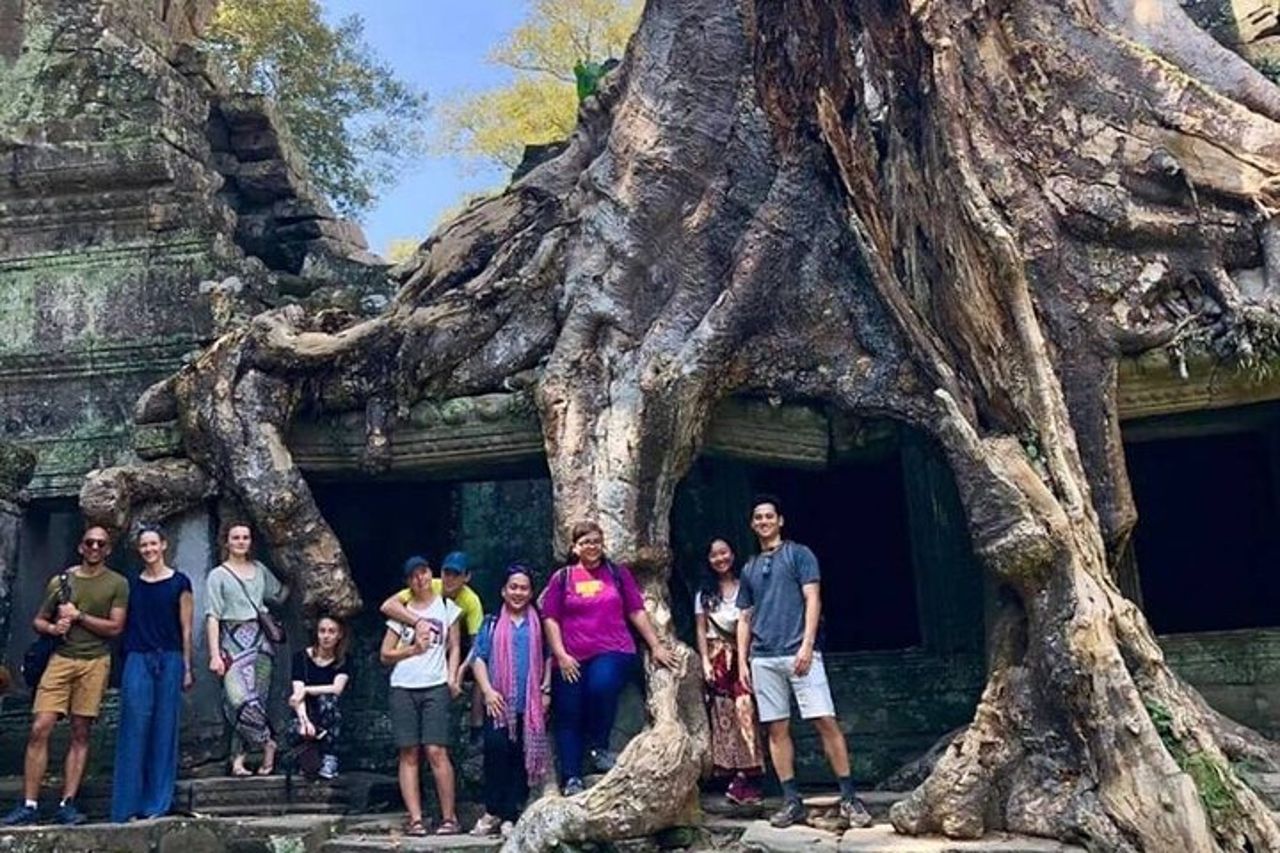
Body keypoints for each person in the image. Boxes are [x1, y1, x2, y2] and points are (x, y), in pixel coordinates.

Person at [736, 495, 872, 829]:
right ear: (752, 524)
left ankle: (849, 797)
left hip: (800, 652)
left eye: (769, 516)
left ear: (780, 521)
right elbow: (745, 616)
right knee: (776, 728)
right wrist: (742, 660)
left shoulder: (799, 555)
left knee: (825, 720)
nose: (764, 521)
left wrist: (808, 645)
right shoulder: (749, 567)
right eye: (758, 517)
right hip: (763, 657)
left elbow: (813, 598)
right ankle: (791, 800)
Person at [2, 525, 128, 826]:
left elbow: (116, 627)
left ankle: (67, 802)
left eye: (101, 544)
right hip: (61, 658)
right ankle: (29, 803)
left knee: (81, 730)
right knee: (40, 726)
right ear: (80, 547)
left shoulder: (117, 583)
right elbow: (38, 621)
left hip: (94, 661)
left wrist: (79, 616)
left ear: (108, 549)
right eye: (90, 543)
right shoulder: (61, 582)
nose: (95, 548)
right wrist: (53, 628)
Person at [541, 520, 676, 796]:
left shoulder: (617, 574)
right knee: (568, 712)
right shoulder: (563, 578)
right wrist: (561, 654)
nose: (592, 547)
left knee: (601, 686)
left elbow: (636, 611)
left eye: (596, 541)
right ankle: (571, 776)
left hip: (612, 648)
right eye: (585, 542)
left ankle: (599, 748)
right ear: (574, 548)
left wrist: (656, 645)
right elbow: (550, 618)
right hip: (570, 656)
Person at [111, 524, 194, 822]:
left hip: (170, 657)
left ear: (164, 545)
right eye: (144, 545)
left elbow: (186, 628)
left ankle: (156, 803)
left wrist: (187, 666)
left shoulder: (180, 582)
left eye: (153, 544)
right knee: (133, 728)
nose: (149, 549)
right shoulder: (131, 584)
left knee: (164, 728)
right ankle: (127, 806)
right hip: (137, 657)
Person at [380, 555, 463, 836]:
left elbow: (455, 646)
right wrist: (412, 649)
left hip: (435, 683)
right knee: (409, 751)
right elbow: (385, 654)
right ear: (408, 582)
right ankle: (415, 819)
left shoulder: (447, 608)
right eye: (414, 575)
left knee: (436, 750)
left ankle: (449, 818)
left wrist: (452, 676)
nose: (420, 578)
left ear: (431, 574)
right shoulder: (401, 612)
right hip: (403, 685)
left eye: (424, 572)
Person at [469, 564, 552, 837]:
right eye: (513, 587)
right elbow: (478, 658)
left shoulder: (539, 624)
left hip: (529, 704)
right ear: (504, 591)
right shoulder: (492, 623)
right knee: (496, 752)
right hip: (499, 702)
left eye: (524, 588)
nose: (518, 592)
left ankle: (509, 816)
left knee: (520, 758)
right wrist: (488, 691)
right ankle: (491, 811)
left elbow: (548, 657)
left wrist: (546, 690)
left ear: (531, 593)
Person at [205, 522, 289, 777]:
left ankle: (239, 760)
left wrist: (296, 574)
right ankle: (268, 743)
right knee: (238, 701)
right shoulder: (218, 575)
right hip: (231, 642)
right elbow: (212, 616)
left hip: (260, 643)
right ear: (227, 542)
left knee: (257, 702)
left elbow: (279, 595)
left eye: (245, 537)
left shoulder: (260, 570)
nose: (241, 542)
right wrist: (214, 654)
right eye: (236, 538)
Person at [380, 550, 486, 741]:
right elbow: (388, 606)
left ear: (466, 577)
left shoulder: (471, 601)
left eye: (456, 575)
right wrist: (418, 621)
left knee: (480, 665)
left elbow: (476, 643)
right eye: (447, 573)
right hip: (420, 647)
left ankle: (476, 726)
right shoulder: (427, 585)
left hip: (454, 645)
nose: (450, 579)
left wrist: (460, 671)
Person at [694, 538, 764, 805]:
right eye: (714, 555)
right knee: (723, 715)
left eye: (724, 553)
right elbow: (701, 629)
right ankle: (733, 774)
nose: (720, 559)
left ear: (733, 555)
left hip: (743, 657)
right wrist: (705, 661)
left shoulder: (745, 587)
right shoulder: (704, 594)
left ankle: (749, 773)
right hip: (718, 659)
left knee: (746, 711)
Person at [287, 615, 350, 780]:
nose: (326, 636)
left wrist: (307, 690)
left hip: (329, 714)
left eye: (331, 632)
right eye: (322, 631)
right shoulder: (301, 658)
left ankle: (330, 757)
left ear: (339, 635)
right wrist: (304, 721)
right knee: (296, 728)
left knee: (328, 700)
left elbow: (337, 688)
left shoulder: (343, 660)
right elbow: (297, 695)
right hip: (306, 713)